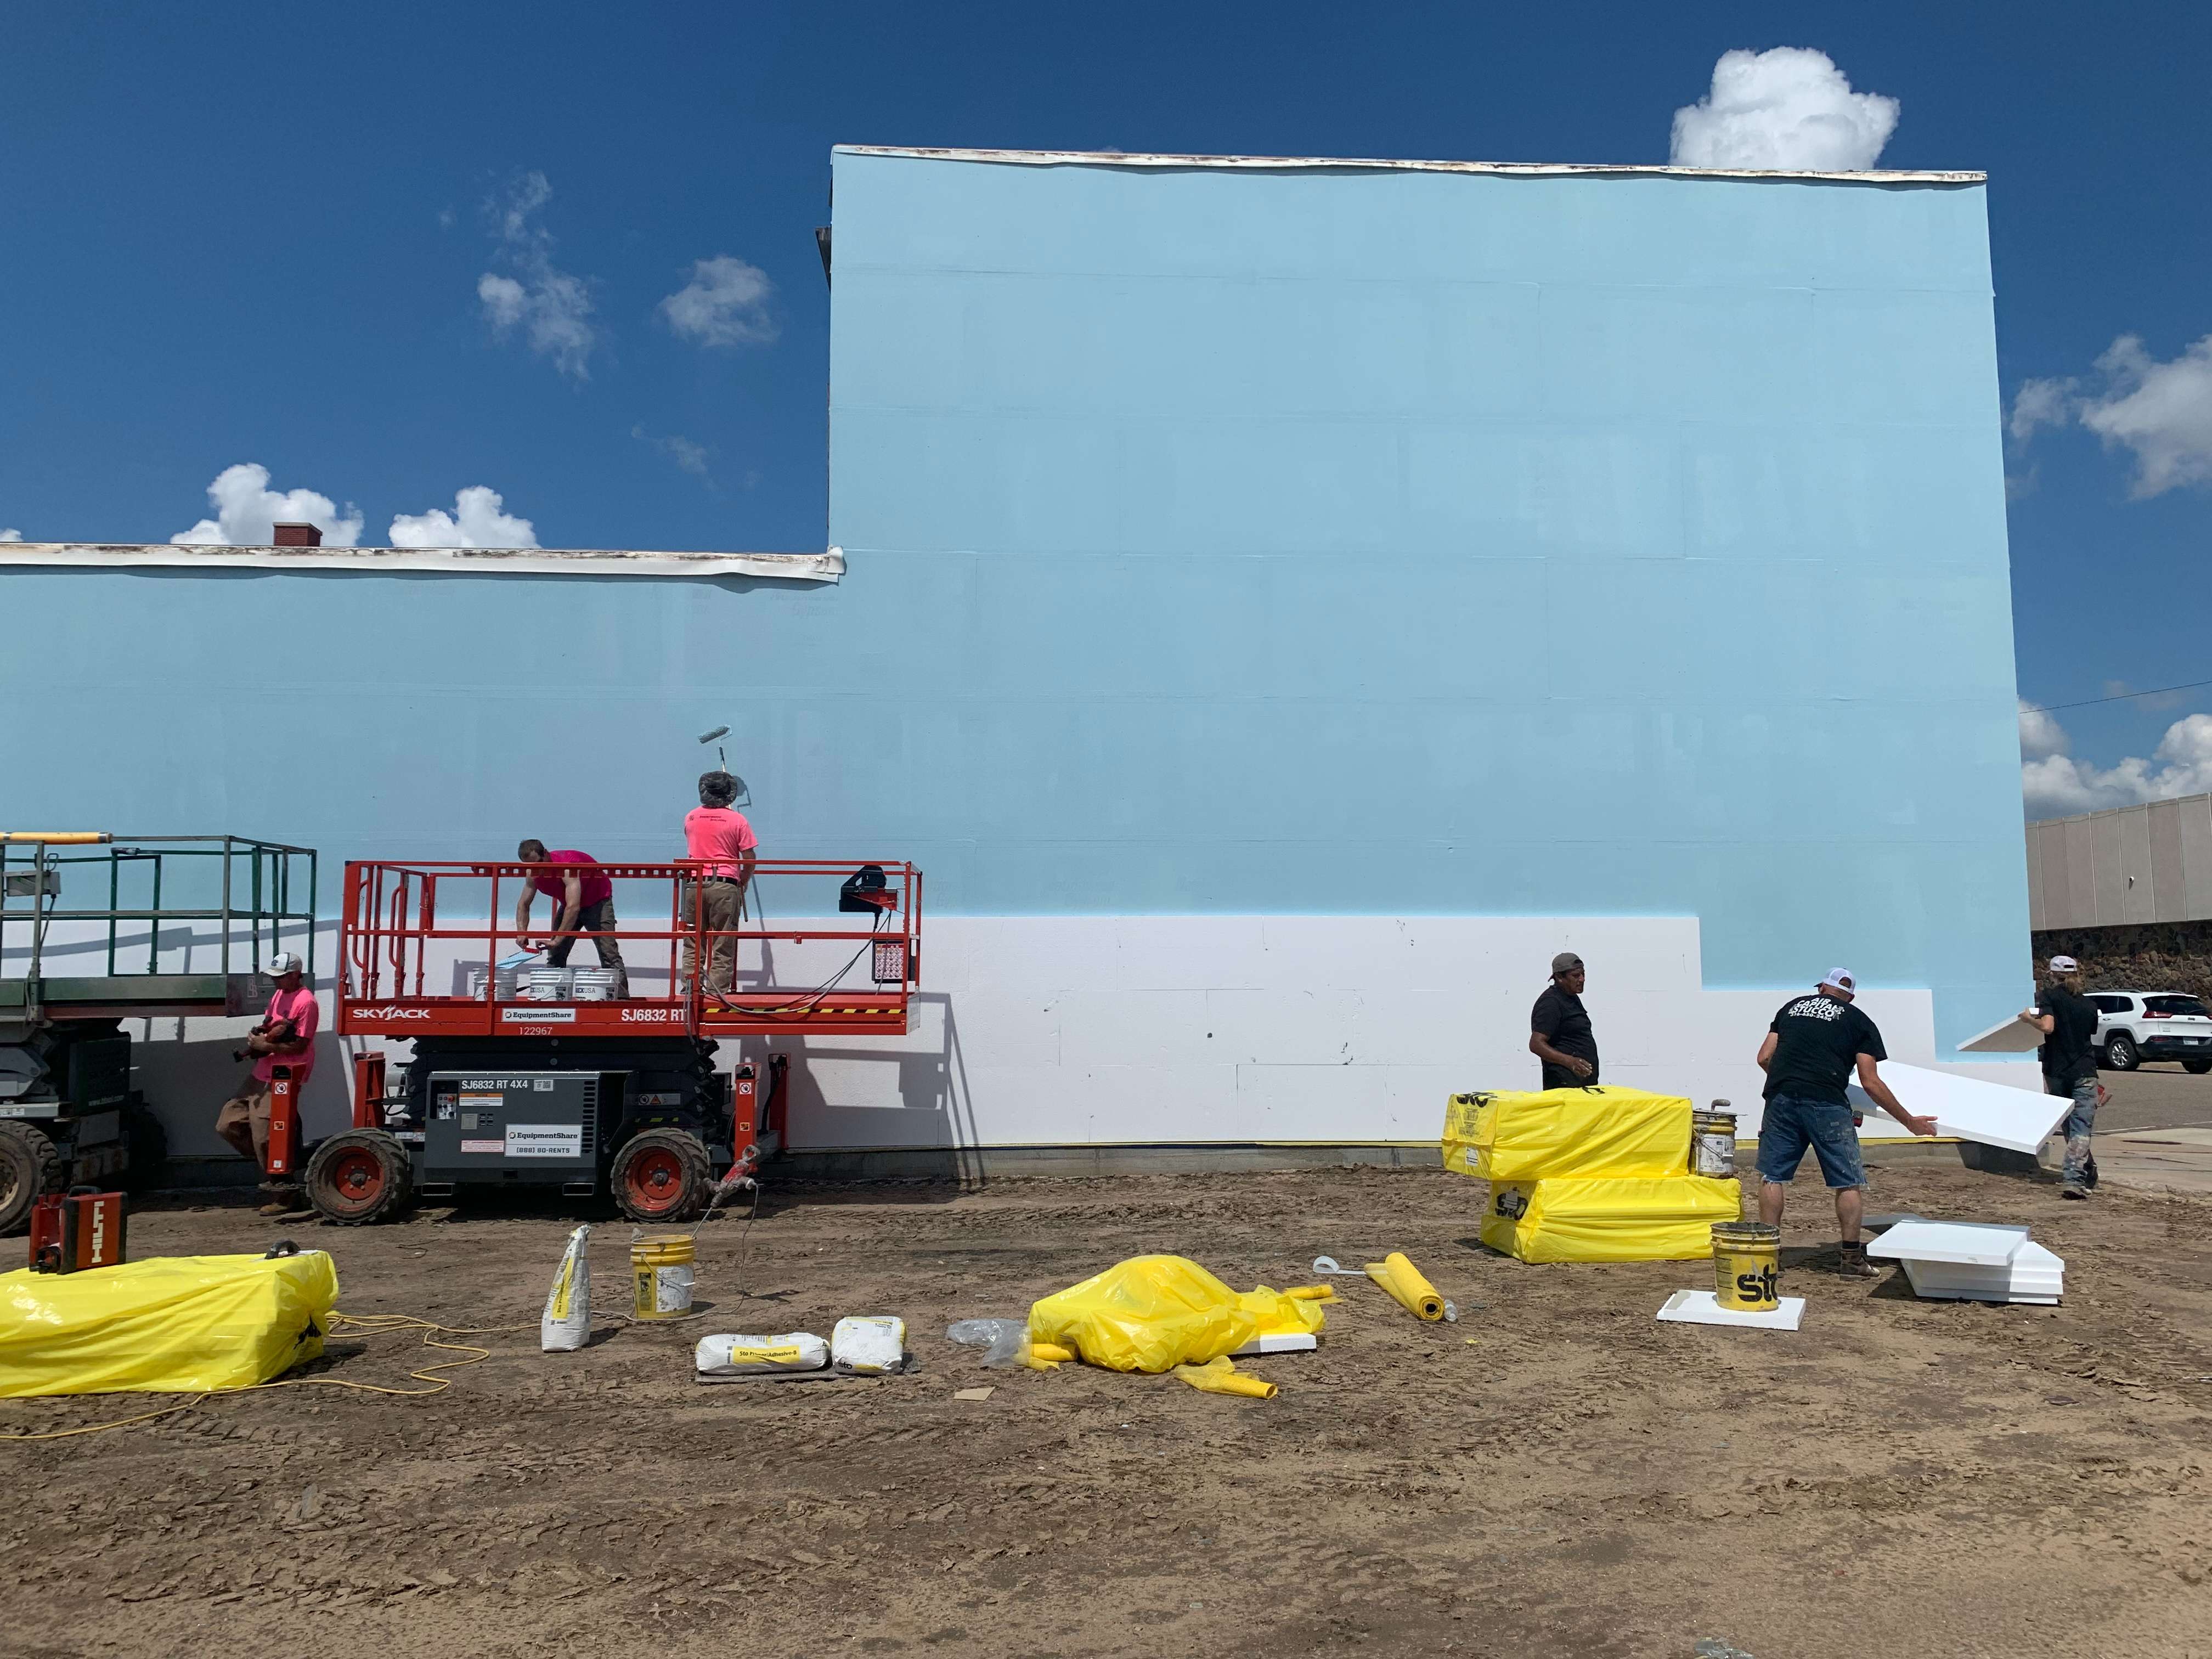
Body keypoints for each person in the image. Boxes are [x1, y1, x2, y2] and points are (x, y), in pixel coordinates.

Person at [1754, 968, 1938, 1277]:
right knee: (1847, 1181)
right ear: (1850, 997)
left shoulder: (1791, 1008)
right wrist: (1909, 1121)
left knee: (1773, 1176)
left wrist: (1790, 1082)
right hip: (1827, 1103)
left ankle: (1767, 1256)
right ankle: (1851, 1260)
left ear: (1822, 989)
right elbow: (1870, 1082)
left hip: (1781, 1099)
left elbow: (1763, 1058)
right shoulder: (1859, 1021)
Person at [217, 951, 317, 1216]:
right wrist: (260, 1036)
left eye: (282, 977)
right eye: (275, 977)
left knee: (267, 1133)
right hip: (265, 1070)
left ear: (296, 974)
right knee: (229, 1122)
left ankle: (284, 1192)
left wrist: (264, 1045)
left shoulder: (306, 1002)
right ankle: (281, 1164)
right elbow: (271, 1023)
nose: (277, 982)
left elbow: (301, 1045)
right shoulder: (278, 996)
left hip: (285, 1072)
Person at [2023, 954, 2102, 1199]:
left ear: (2052, 974)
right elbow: (2088, 1035)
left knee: (2070, 1125)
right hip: (2085, 1071)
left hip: (2057, 1071)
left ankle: (2074, 1178)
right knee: (2080, 1127)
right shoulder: (2089, 1005)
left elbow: (2048, 1027)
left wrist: (2028, 1020)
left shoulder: (2050, 996)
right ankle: (2082, 1172)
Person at [515, 840, 628, 996]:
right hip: (569, 904)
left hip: (597, 902)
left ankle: (622, 1000)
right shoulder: (532, 873)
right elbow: (523, 904)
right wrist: (521, 931)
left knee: (608, 953)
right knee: (555, 953)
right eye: (531, 866)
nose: (538, 869)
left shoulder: (567, 866)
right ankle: (551, 997)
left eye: (539, 863)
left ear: (546, 853)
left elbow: (574, 907)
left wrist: (556, 940)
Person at [681, 771, 758, 1001]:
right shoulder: (738, 820)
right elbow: (750, 857)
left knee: (693, 939)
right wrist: (743, 881)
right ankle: (716, 994)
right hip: (725, 886)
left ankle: (690, 989)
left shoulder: (691, 818)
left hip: (694, 885)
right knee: (723, 941)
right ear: (729, 794)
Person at [1530, 952, 1598, 1090]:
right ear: (1559, 977)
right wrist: (1570, 1062)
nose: (1582, 979)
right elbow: (1536, 1044)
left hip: (1581, 1086)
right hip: (1563, 1087)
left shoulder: (1571, 997)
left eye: (1583, 974)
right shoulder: (1551, 1002)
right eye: (1576, 976)